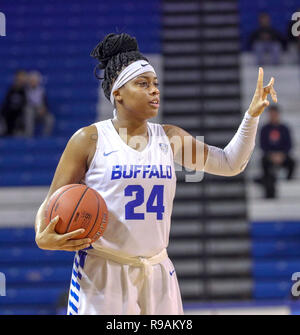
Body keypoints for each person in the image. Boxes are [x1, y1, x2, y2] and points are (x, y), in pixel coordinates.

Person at [34, 33, 277, 315]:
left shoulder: (170, 138)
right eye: (143, 84)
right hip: (103, 270)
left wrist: (252, 116)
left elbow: (230, 163)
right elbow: (52, 200)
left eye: (156, 85)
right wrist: (42, 234)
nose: (154, 91)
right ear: (117, 92)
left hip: (158, 270)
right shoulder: (89, 139)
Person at [257, 105, 295, 199]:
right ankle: (268, 184)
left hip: (282, 156)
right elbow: (263, 145)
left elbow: (289, 145)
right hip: (270, 157)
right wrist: (272, 155)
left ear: (278, 114)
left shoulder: (284, 128)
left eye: (274, 114)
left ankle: (288, 183)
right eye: (271, 114)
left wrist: (282, 155)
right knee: (264, 162)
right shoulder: (264, 129)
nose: (273, 116)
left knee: (292, 162)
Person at [24, 71, 54, 137]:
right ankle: (29, 135)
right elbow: (24, 103)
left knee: (50, 118)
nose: (33, 82)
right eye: (32, 81)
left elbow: (46, 103)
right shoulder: (25, 91)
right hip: (30, 110)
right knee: (29, 111)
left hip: (40, 110)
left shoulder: (42, 91)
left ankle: (45, 137)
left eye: (35, 81)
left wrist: (43, 109)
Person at [0, 69, 27, 136]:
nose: (20, 80)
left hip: (20, 113)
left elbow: (26, 103)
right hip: (9, 113)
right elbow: (7, 102)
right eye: (18, 78)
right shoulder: (11, 89)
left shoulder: (26, 90)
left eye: (22, 78)